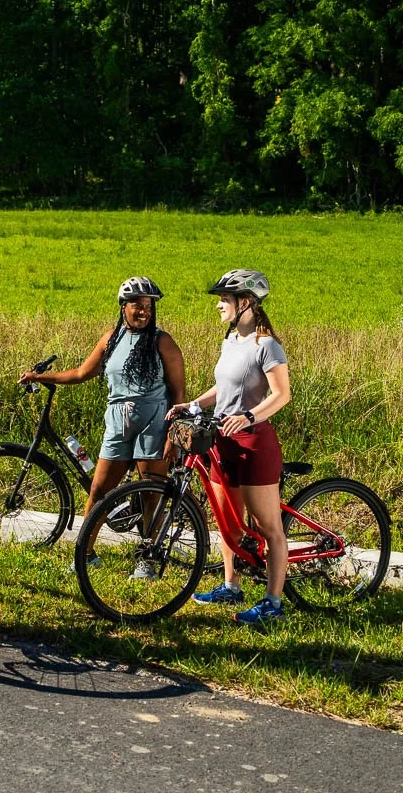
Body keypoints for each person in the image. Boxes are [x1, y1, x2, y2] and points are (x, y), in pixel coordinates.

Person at [22, 277, 186, 578]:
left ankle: (147, 559)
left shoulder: (164, 341)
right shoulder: (112, 338)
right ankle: (86, 553)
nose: (144, 311)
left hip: (154, 423)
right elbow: (81, 373)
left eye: (149, 306)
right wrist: (41, 377)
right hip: (118, 423)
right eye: (137, 305)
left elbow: (179, 393)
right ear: (123, 307)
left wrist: (175, 435)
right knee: (99, 491)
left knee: (151, 492)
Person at [167, 268, 292, 627]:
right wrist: (194, 405)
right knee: (228, 522)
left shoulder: (266, 345)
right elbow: (222, 389)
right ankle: (230, 586)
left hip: (253, 442)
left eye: (225, 299)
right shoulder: (230, 341)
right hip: (221, 437)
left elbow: (281, 395)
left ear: (246, 303)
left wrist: (249, 417)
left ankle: (273, 603)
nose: (219, 305)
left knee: (269, 527)